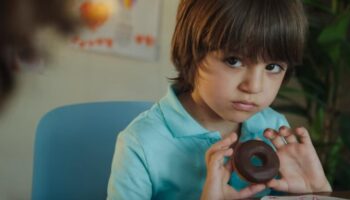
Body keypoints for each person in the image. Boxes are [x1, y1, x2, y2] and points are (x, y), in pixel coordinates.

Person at [107, 0, 332, 199]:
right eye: (234, 61)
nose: (254, 86)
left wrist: (317, 192)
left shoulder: (274, 129)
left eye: (272, 67)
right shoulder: (141, 144)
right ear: (191, 53)